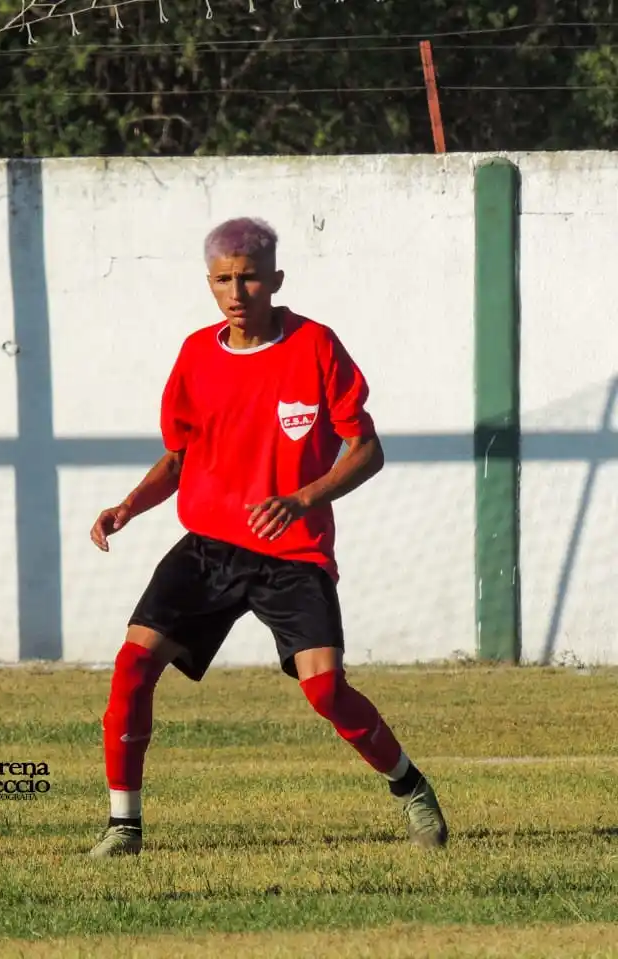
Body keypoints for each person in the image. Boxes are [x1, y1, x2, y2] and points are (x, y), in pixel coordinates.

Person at [86, 216, 448, 858]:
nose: (236, 292)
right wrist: (129, 507)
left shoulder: (315, 346)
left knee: (325, 689)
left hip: (292, 552)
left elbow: (367, 451)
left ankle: (410, 786)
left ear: (275, 279)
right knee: (132, 665)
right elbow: (178, 457)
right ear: (209, 282)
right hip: (208, 547)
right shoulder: (196, 355)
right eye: (223, 279)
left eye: (249, 277)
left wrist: (303, 499)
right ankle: (124, 827)